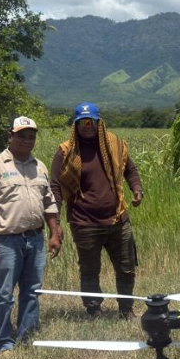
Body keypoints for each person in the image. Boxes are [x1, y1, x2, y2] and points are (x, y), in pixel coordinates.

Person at [0, 116, 63, 356]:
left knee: (33, 290)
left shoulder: (39, 166)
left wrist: (55, 232)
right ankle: (4, 342)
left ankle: (27, 336)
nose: (27, 140)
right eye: (21, 135)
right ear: (9, 136)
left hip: (35, 238)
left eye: (31, 136)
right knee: (4, 294)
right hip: (6, 240)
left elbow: (49, 202)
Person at [50, 102, 143, 319]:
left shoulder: (115, 145)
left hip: (118, 219)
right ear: (75, 126)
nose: (87, 126)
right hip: (84, 222)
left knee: (127, 268)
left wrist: (137, 189)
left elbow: (131, 170)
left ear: (99, 123)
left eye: (91, 121)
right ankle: (93, 309)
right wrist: (55, 221)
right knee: (90, 270)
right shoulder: (66, 151)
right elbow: (55, 185)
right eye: (82, 122)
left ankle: (126, 309)